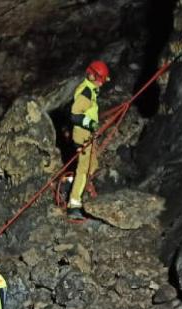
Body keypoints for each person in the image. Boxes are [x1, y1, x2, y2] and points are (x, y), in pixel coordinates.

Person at [66, 59, 110, 220]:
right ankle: (74, 204)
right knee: (83, 170)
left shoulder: (91, 90)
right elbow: (75, 114)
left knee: (93, 165)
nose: (102, 84)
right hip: (82, 134)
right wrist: (91, 124)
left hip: (87, 133)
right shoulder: (86, 92)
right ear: (92, 76)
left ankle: (80, 188)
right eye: (100, 80)